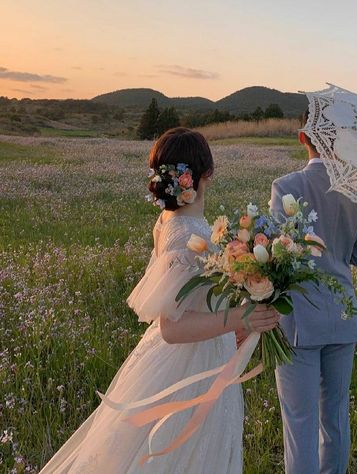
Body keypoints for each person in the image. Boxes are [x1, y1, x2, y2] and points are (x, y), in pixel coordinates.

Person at [39, 127, 280, 473]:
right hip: (186, 365)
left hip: (203, 351)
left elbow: (194, 301)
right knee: (178, 452)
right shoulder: (183, 234)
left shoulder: (175, 220)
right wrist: (241, 318)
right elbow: (171, 327)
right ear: (206, 174)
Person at [270, 111, 357, 474]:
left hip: (298, 320)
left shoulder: (287, 187)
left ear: (303, 138)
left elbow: (276, 256)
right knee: (335, 416)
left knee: (300, 422)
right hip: (344, 315)